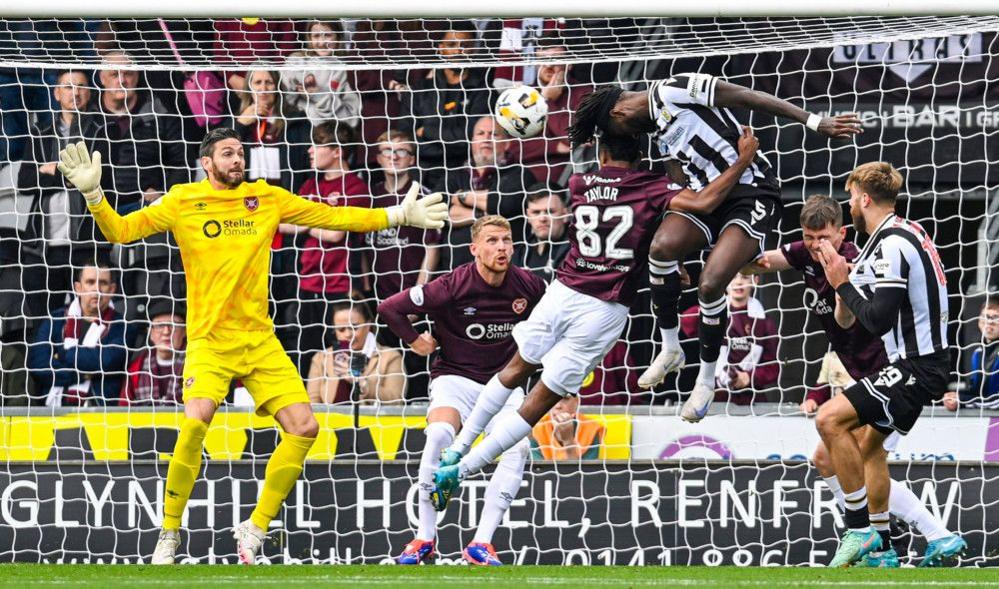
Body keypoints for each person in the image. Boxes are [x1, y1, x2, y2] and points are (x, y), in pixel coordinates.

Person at [55, 127, 446, 565]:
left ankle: (256, 524)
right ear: (208, 162)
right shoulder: (183, 200)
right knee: (196, 420)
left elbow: (334, 218)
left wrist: (396, 216)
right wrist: (93, 196)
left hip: (260, 340)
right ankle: (169, 530)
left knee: (305, 428)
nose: (238, 159)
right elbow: (122, 232)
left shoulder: (268, 198)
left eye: (241, 153)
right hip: (209, 340)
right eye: (228, 153)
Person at [431, 130, 760, 515]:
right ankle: (464, 469)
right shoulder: (651, 186)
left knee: (514, 368)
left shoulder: (578, 182)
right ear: (639, 158)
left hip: (564, 290)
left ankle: (456, 448)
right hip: (602, 309)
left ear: (601, 153)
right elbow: (701, 202)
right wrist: (742, 161)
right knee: (540, 401)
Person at [566, 73, 862, 423]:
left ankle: (705, 381)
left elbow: (743, 94)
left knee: (710, 283)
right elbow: (679, 182)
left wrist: (814, 121)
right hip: (710, 198)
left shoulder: (673, 88)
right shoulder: (658, 133)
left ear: (618, 114)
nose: (631, 140)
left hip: (752, 191)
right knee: (659, 249)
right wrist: (676, 252)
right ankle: (671, 347)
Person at [744, 192, 963, 567]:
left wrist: (841, 283)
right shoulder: (806, 252)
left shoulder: (864, 259)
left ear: (842, 232)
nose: (816, 246)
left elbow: (853, 319)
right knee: (838, 458)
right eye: (809, 238)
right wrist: (713, 263)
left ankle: (889, 536)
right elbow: (762, 262)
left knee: (858, 450)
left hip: (891, 370)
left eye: (824, 237)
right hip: (862, 372)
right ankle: (891, 545)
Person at [378, 215, 546, 566]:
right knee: (439, 434)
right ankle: (425, 538)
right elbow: (390, 308)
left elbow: (550, 323)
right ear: (474, 249)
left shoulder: (529, 286)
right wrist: (414, 341)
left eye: (507, 240)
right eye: (492, 241)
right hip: (454, 378)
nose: (501, 248)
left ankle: (480, 544)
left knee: (517, 449)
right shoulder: (451, 285)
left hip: (502, 382)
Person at [814, 162, 954, 567]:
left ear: (864, 198)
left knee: (828, 420)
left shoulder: (892, 243)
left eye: (851, 198)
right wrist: (845, 284)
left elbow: (877, 320)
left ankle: (858, 528)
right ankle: (884, 548)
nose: (849, 206)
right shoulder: (908, 233)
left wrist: (841, 282)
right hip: (922, 363)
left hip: (916, 365)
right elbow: (857, 312)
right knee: (868, 447)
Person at [17, 69, 111, 318]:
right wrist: (73, 176)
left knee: (89, 319)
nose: (76, 92)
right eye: (68, 87)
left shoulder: (101, 131)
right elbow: (25, 182)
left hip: (86, 244)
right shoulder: (39, 133)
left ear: (89, 92)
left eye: (80, 86)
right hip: (42, 247)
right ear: (57, 94)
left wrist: (53, 171)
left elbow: (102, 179)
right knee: (41, 322)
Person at [279, 123, 368, 376]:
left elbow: (336, 233)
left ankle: (341, 402)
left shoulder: (355, 187)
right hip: (308, 284)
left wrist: (306, 224)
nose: (309, 150)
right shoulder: (309, 186)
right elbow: (284, 224)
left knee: (341, 353)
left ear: (337, 151)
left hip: (341, 285)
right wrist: (318, 224)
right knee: (306, 351)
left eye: (317, 144)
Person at [400, 21, 492, 190]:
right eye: (451, 44)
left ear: (475, 48)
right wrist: (447, 144)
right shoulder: (420, 90)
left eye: (465, 45)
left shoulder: (484, 91)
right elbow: (406, 137)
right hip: (419, 175)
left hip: (463, 177)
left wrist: (427, 131)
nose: (458, 50)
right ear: (440, 48)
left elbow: (470, 138)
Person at [26, 263, 128, 407]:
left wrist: (62, 355)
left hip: (100, 411)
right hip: (51, 411)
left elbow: (106, 361)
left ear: (112, 289)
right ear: (78, 288)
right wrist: (82, 375)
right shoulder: (55, 320)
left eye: (103, 283)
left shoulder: (122, 325)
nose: (96, 289)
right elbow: (38, 365)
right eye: (90, 282)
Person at [446, 116, 531, 268]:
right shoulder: (454, 175)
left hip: (504, 268)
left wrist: (460, 197)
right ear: (472, 141)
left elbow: (505, 204)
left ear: (506, 144)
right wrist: (487, 212)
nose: (486, 139)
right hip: (455, 267)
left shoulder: (519, 174)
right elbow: (442, 211)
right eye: (480, 133)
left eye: (494, 134)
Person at [681, 273, 779, 405]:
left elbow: (773, 367)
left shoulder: (764, 322)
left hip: (750, 399)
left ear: (755, 281)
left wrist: (749, 377)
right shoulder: (716, 312)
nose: (738, 282)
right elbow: (686, 321)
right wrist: (712, 303)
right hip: (713, 395)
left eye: (744, 277)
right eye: (733, 276)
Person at [516, 39, 593, 186]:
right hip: (523, 176)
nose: (549, 65)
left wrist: (546, 101)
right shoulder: (522, 95)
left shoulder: (585, 93)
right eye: (543, 60)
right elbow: (512, 147)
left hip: (564, 178)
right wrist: (555, 147)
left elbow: (574, 137)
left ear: (569, 64)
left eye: (555, 60)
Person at [307, 302, 405, 404]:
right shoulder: (321, 358)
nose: (348, 334)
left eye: (354, 328)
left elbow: (397, 400)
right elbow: (312, 405)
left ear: (368, 325)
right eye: (341, 329)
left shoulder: (390, 356)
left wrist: (360, 382)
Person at [281, 20, 362, 128]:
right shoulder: (296, 61)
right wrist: (296, 87)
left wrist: (319, 95)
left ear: (338, 37)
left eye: (328, 35)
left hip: (330, 134)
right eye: (316, 36)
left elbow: (351, 121)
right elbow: (282, 103)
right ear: (309, 38)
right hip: (296, 129)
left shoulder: (348, 70)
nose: (322, 43)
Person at [120, 301, 187, 407]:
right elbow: (123, 409)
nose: (166, 332)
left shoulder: (196, 366)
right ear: (150, 332)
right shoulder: (136, 369)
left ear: (184, 331)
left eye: (173, 325)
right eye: (160, 325)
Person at [944, 295, 999, 410]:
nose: (989, 322)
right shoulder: (978, 352)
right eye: (985, 316)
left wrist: (962, 401)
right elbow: (977, 393)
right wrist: (955, 398)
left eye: (995, 318)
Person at [515, 187, 571, 283]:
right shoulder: (520, 254)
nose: (542, 218)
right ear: (527, 216)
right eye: (536, 212)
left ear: (565, 215)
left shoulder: (575, 253)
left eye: (550, 212)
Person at [530, 394, 604, 460]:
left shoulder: (591, 429)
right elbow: (538, 472)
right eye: (553, 398)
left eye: (565, 398)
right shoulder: (535, 429)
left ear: (576, 402)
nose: (558, 406)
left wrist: (568, 441)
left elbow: (584, 474)